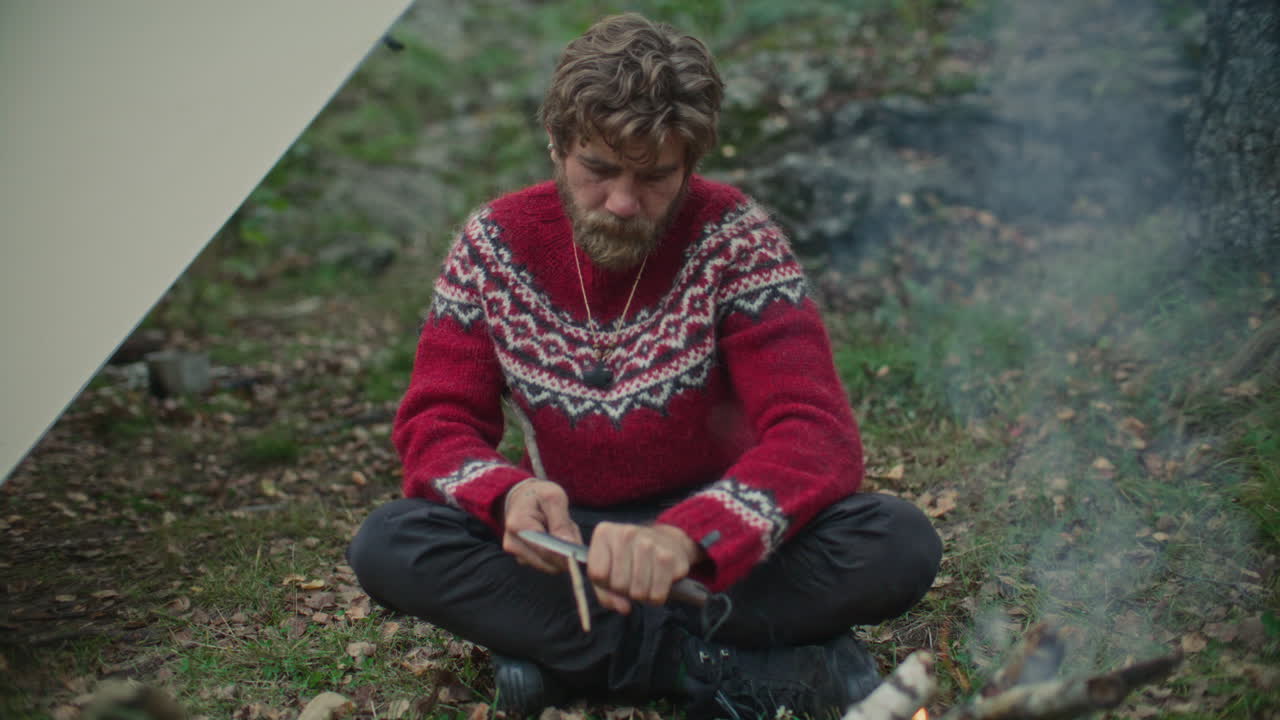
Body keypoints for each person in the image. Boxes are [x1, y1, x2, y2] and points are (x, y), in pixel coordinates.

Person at [348, 13, 942, 719]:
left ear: (689, 163)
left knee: (895, 541)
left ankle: (577, 665)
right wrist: (507, 495)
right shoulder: (494, 246)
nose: (624, 202)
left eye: (656, 176)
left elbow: (815, 434)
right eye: (598, 169)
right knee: (390, 543)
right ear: (557, 144)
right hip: (574, 545)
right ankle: (724, 666)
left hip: (719, 544)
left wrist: (687, 537)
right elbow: (436, 422)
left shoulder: (734, 239)